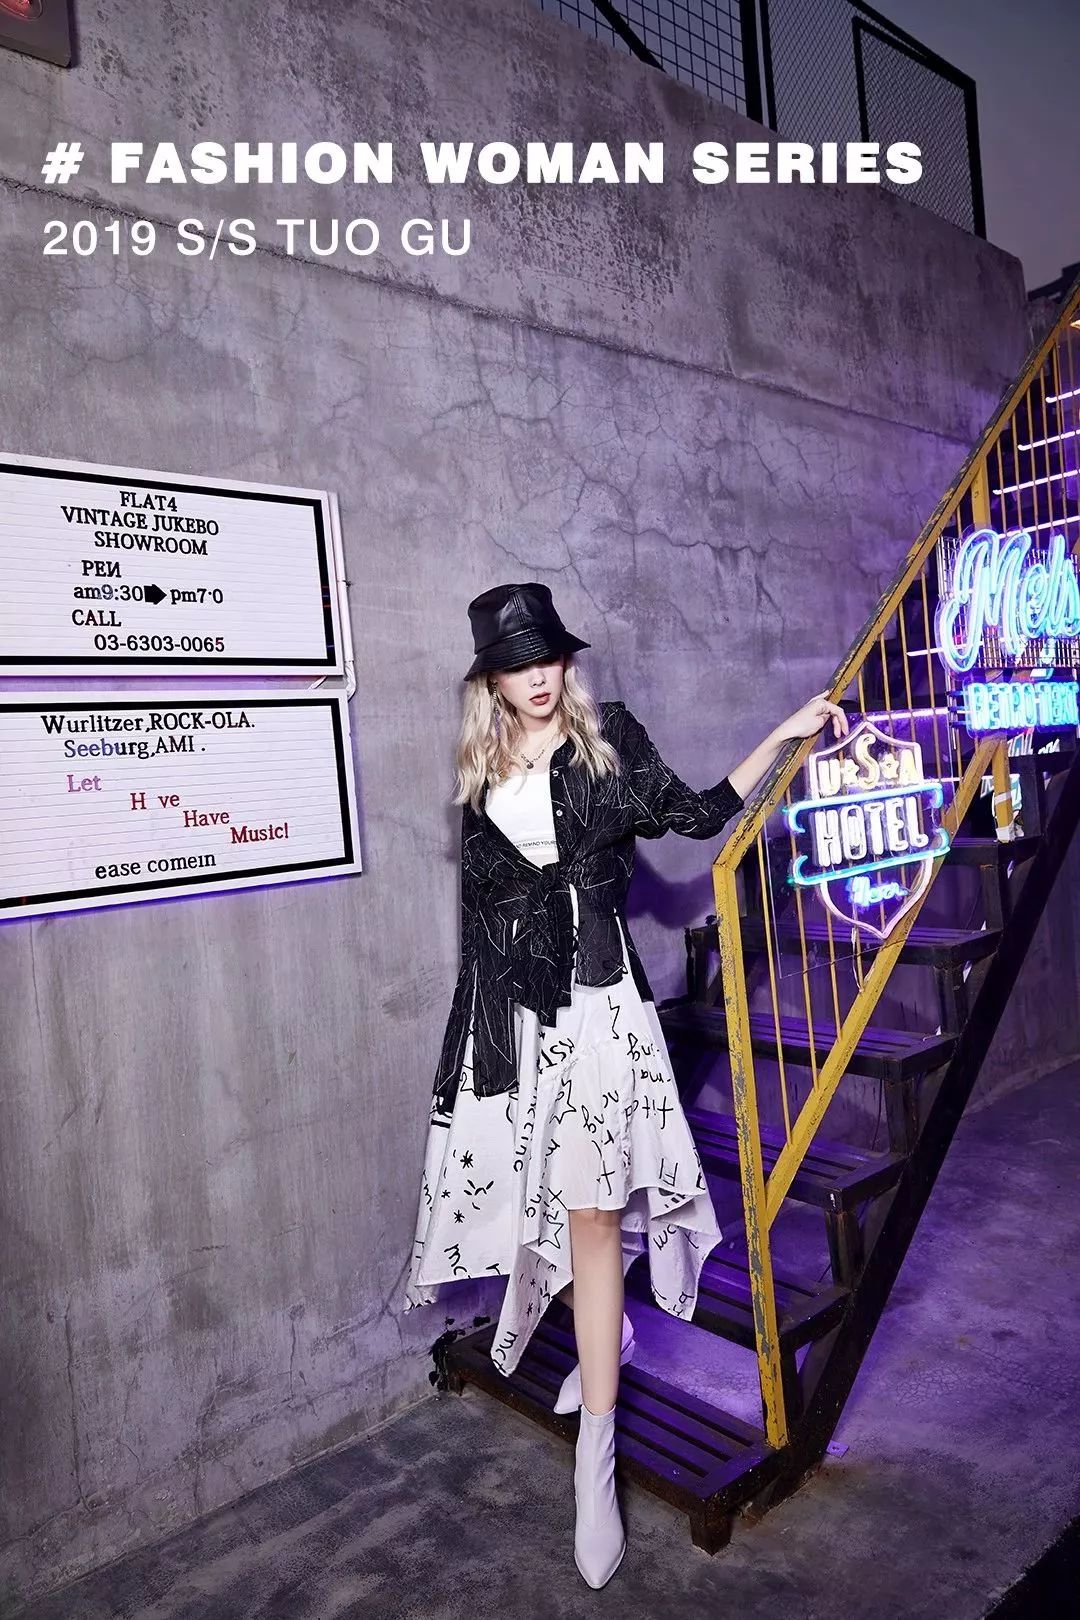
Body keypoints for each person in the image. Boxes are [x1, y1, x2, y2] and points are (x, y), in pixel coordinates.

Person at [404, 582, 847, 1588]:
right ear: (492, 681)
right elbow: (478, 934)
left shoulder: (609, 743)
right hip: (521, 1021)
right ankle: (610, 1337)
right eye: (518, 664)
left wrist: (782, 735)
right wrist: (476, 1058)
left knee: (597, 1219)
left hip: (603, 1014)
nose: (539, 677)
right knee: (540, 1212)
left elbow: (693, 815)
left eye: (549, 657)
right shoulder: (480, 778)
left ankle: (595, 1454)